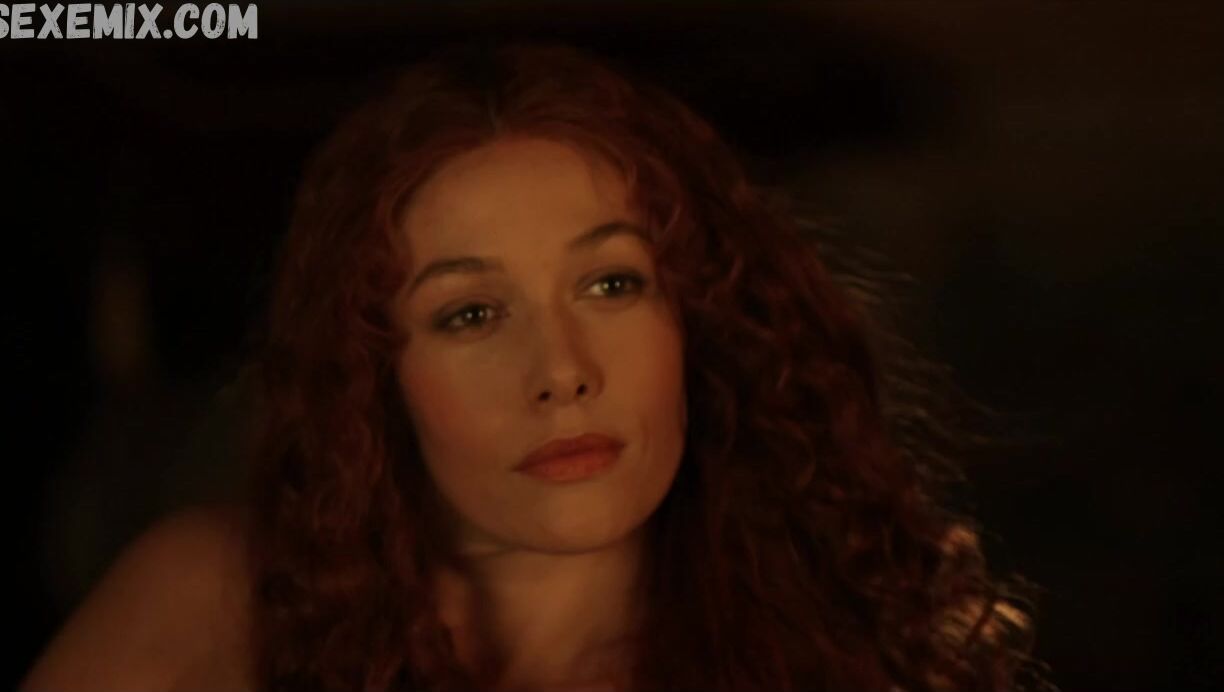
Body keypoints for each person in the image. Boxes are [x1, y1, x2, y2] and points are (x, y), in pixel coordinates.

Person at [22, 42, 1042, 692]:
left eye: (611, 284)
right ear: (374, 374)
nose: (561, 371)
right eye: (471, 313)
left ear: (702, 319)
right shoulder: (216, 597)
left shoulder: (872, 644)